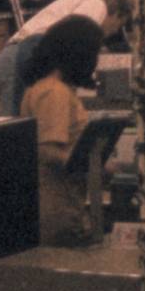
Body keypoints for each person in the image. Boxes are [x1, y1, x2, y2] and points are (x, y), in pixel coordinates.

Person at [19, 16, 104, 247]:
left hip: (60, 201)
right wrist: (93, 164)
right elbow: (48, 151)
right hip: (57, 206)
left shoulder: (45, 88)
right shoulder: (54, 93)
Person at [0, 0, 132, 117]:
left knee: (21, 123)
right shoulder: (97, 4)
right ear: (116, 12)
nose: (115, 31)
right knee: (15, 128)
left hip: (18, 55)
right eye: (119, 24)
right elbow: (75, 38)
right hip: (21, 54)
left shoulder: (82, 1)